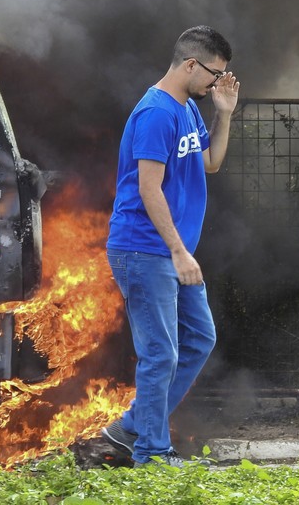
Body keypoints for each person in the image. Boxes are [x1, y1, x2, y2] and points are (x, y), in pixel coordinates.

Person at [101, 25, 239, 467]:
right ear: (191, 64)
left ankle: (134, 427)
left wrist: (225, 112)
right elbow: (148, 188)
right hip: (144, 250)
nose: (216, 83)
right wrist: (179, 251)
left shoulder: (187, 110)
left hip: (169, 252)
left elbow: (211, 164)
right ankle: (152, 453)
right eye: (215, 76)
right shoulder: (157, 113)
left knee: (199, 338)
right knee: (161, 352)